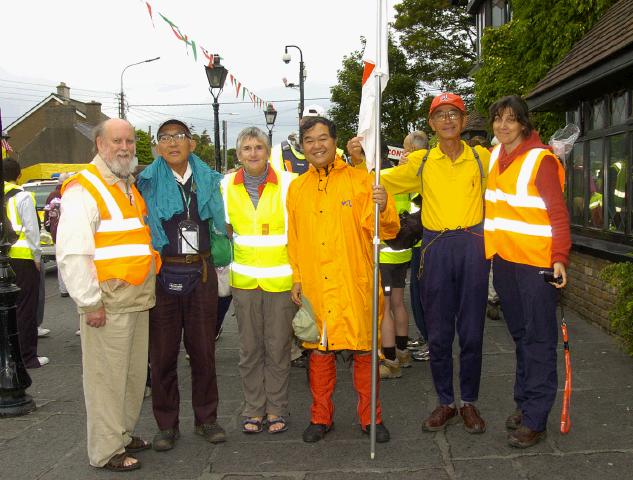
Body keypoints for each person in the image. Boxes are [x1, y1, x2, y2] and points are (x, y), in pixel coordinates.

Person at [351, 93, 492, 435]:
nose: (447, 120)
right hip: (436, 248)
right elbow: (377, 180)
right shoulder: (421, 161)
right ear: (431, 124)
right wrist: (358, 162)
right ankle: (445, 401)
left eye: (453, 114)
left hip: (473, 245)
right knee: (439, 332)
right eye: (440, 115)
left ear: (463, 120)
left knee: (472, 331)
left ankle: (469, 402)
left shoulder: (481, 157)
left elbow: (513, 176)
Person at [287, 116, 400, 443]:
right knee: (319, 352)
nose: (317, 145)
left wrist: (384, 205)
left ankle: (371, 419)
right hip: (316, 286)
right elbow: (293, 238)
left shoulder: (360, 180)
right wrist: (297, 278)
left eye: (323, 138)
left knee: (366, 352)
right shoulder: (297, 188)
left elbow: (386, 230)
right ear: (302, 147)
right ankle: (320, 417)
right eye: (310, 140)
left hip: (355, 281)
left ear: (335, 142)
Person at [56, 119, 160, 471]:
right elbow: (73, 253)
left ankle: (122, 433)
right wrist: (89, 303)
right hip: (108, 302)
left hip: (134, 298)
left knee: (131, 376)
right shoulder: (85, 188)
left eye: (130, 141)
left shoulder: (125, 183)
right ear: (100, 144)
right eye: (117, 140)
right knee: (106, 379)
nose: (125, 147)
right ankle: (105, 450)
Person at [485, 95, 571, 448]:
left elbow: (559, 215)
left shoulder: (542, 160)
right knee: (521, 337)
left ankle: (536, 418)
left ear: (523, 124)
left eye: (510, 119)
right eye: (498, 119)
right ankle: (525, 402)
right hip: (505, 261)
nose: (503, 126)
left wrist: (560, 257)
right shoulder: (495, 156)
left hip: (537, 265)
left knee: (538, 341)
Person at [137, 119, 227, 451]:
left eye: (179, 136)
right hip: (163, 276)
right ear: (158, 146)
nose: (172, 142)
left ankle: (207, 419)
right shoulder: (144, 182)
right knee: (161, 355)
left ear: (191, 144)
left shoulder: (210, 181)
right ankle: (166, 424)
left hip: (200, 274)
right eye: (165, 137)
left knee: (203, 351)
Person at [221, 127, 297, 434]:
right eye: (247, 148)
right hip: (245, 283)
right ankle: (254, 408)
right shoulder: (226, 185)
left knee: (278, 349)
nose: (253, 153)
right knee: (250, 350)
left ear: (268, 152)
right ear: (238, 154)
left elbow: (297, 232)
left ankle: (276, 408)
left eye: (259, 147)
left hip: (280, 283)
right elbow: (225, 228)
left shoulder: (288, 184)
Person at [3, 157, 46, 368]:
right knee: (25, 307)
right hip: (22, 258)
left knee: (6, 307)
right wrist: (37, 257)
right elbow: (32, 230)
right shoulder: (23, 197)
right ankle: (28, 356)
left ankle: (8, 353)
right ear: (19, 175)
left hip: (4, 258)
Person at [44, 173, 71, 298]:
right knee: (73, 260)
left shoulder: (52, 196)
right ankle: (72, 287)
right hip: (70, 233)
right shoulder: (70, 194)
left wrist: (50, 229)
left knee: (61, 261)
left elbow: (46, 217)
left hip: (57, 233)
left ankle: (63, 288)